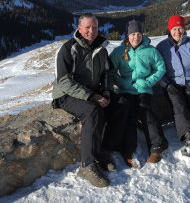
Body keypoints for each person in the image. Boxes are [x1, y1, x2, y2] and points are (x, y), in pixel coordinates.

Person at [52, 13, 117, 188]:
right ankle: (87, 165)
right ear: (79, 29)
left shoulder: (100, 49)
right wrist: (92, 96)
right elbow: (64, 81)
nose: (91, 31)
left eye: (94, 27)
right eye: (87, 27)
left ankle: (98, 153)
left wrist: (107, 92)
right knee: (93, 110)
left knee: (117, 104)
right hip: (67, 95)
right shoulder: (69, 49)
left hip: (91, 91)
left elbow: (108, 73)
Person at [109, 19, 169, 166]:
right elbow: (110, 70)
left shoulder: (150, 50)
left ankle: (157, 146)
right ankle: (129, 151)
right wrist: (122, 82)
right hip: (125, 89)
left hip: (143, 88)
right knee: (127, 113)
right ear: (127, 35)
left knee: (146, 111)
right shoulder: (119, 51)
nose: (136, 37)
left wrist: (147, 82)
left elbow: (160, 68)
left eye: (139, 34)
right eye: (133, 34)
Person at [156, 15, 190, 157]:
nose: (177, 32)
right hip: (173, 85)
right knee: (178, 105)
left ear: (184, 29)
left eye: (180, 28)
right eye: (174, 29)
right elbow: (157, 69)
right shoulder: (162, 47)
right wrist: (166, 85)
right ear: (169, 29)